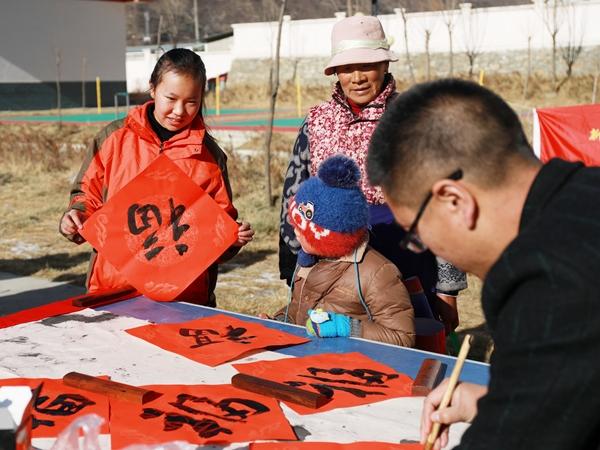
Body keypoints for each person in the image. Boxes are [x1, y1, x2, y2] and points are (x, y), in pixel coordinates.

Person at [367, 78, 600, 449]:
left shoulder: (546, 280)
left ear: (454, 200)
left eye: (416, 234)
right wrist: (497, 402)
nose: (422, 245)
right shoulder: (584, 193)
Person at [278, 14, 466, 333]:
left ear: (385, 66)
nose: (358, 77)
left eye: (367, 65)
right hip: (332, 263)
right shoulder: (317, 123)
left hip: (407, 257)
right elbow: (294, 197)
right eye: (348, 67)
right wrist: (293, 264)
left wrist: (447, 289)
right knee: (335, 350)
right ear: (336, 71)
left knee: (405, 349)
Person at [59, 48, 254, 305]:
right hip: (114, 288)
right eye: (171, 98)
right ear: (153, 89)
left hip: (183, 296)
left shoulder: (209, 157)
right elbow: (86, 196)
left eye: (191, 102)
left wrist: (232, 238)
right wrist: (75, 218)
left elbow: (217, 225)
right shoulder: (114, 139)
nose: (179, 110)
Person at [269, 154, 414, 347]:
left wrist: (349, 328)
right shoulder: (310, 258)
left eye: (302, 228)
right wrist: (279, 322)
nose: (295, 231)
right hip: (307, 359)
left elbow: (403, 337)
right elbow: (298, 307)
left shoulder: (377, 273)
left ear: (328, 239)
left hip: (348, 367)